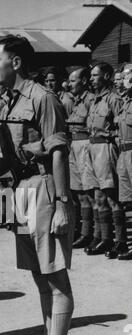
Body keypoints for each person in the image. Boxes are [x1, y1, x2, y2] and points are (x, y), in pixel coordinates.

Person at [0, 34, 75, 335]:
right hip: (22, 189)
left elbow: (58, 153)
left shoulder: (43, 98)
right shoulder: (9, 101)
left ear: (16, 62)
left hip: (44, 190)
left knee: (54, 275)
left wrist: (63, 205)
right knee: (40, 276)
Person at [84, 62, 127, 258]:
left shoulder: (114, 99)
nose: (92, 79)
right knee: (97, 196)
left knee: (112, 196)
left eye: (95, 75)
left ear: (107, 76)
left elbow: (122, 127)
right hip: (92, 147)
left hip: (106, 148)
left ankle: (120, 241)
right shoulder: (94, 100)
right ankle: (104, 238)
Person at [67, 67, 95, 248]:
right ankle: (83, 233)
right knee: (78, 192)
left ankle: (94, 234)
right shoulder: (75, 101)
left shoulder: (91, 100)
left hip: (86, 145)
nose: (69, 84)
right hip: (74, 145)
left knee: (89, 192)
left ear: (84, 81)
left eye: (73, 81)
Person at [115, 63, 132, 259]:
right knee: (127, 201)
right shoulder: (125, 101)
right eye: (126, 76)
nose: (128, 80)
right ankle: (129, 245)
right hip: (123, 153)